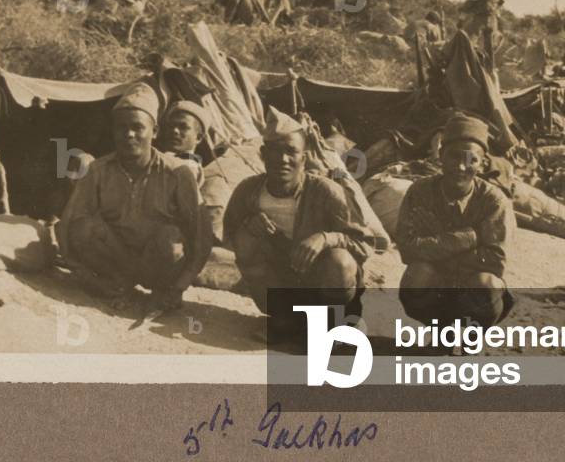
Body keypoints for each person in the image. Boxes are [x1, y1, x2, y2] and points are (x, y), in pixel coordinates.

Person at [62, 83, 211, 312]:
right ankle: (117, 284)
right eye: (121, 128)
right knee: (83, 227)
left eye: (137, 127)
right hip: (115, 260)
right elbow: (68, 224)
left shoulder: (178, 174)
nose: (129, 134)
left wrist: (179, 286)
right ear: (113, 131)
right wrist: (83, 275)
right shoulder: (97, 170)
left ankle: (161, 291)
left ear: (155, 132)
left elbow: (201, 236)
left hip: (157, 266)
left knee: (171, 239)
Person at [222, 108, 371, 328]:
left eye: (291, 151)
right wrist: (249, 225)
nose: (283, 159)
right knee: (245, 239)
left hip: (321, 278)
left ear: (304, 157)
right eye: (275, 150)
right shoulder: (249, 191)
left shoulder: (326, 191)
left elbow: (364, 244)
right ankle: (286, 319)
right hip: (282, 279)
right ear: (263, 154)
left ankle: (336, 323)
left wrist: (325, 238)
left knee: (340, 261)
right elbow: (229, 238)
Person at [397, 111, 515, 327]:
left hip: (471, 284)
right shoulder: (420, 192)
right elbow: (406, 248)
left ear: (482, 163)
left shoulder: (494, 200)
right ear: (440, 154)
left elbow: (495, 262)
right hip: (438, 280)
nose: (461, 167)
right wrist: (468, 238)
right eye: (454, 156)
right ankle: (441, 328)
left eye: (471, 159)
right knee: (417, 276)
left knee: (486, 283)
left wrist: (436, 241)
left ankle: (472, 329)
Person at [158, 100, 226, 243]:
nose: (175, 131)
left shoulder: (188, 165)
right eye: (171, 126)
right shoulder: (167, 158)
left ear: (199, 138)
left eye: (183, 127)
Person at [461, 0, 505, 67]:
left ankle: (488, 67)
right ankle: (466, 63)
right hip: (479, 18)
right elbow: (468, 4)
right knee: (469, 41)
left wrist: (498, 13)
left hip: (493, 20)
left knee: (492, 45)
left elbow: (500, 2)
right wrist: (461, 19)